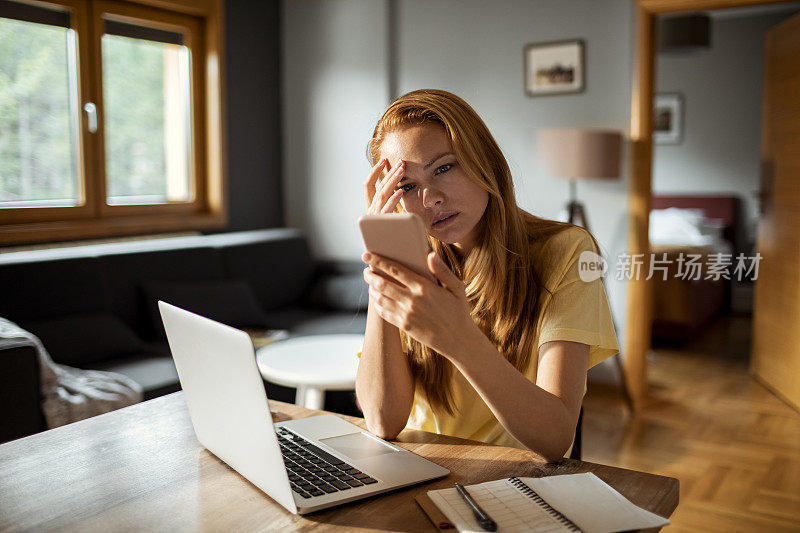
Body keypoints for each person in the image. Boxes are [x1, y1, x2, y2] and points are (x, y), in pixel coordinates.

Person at [355, 89, 618, 462]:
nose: (430, 199)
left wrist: (458, 338)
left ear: (486, 162)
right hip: (419, 468)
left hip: (507, 479)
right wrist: (383, 260)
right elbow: (382, 421)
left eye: (444, 168)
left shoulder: (568, 251)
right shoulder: (414, 260)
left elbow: (557, 437)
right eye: (407, 186)